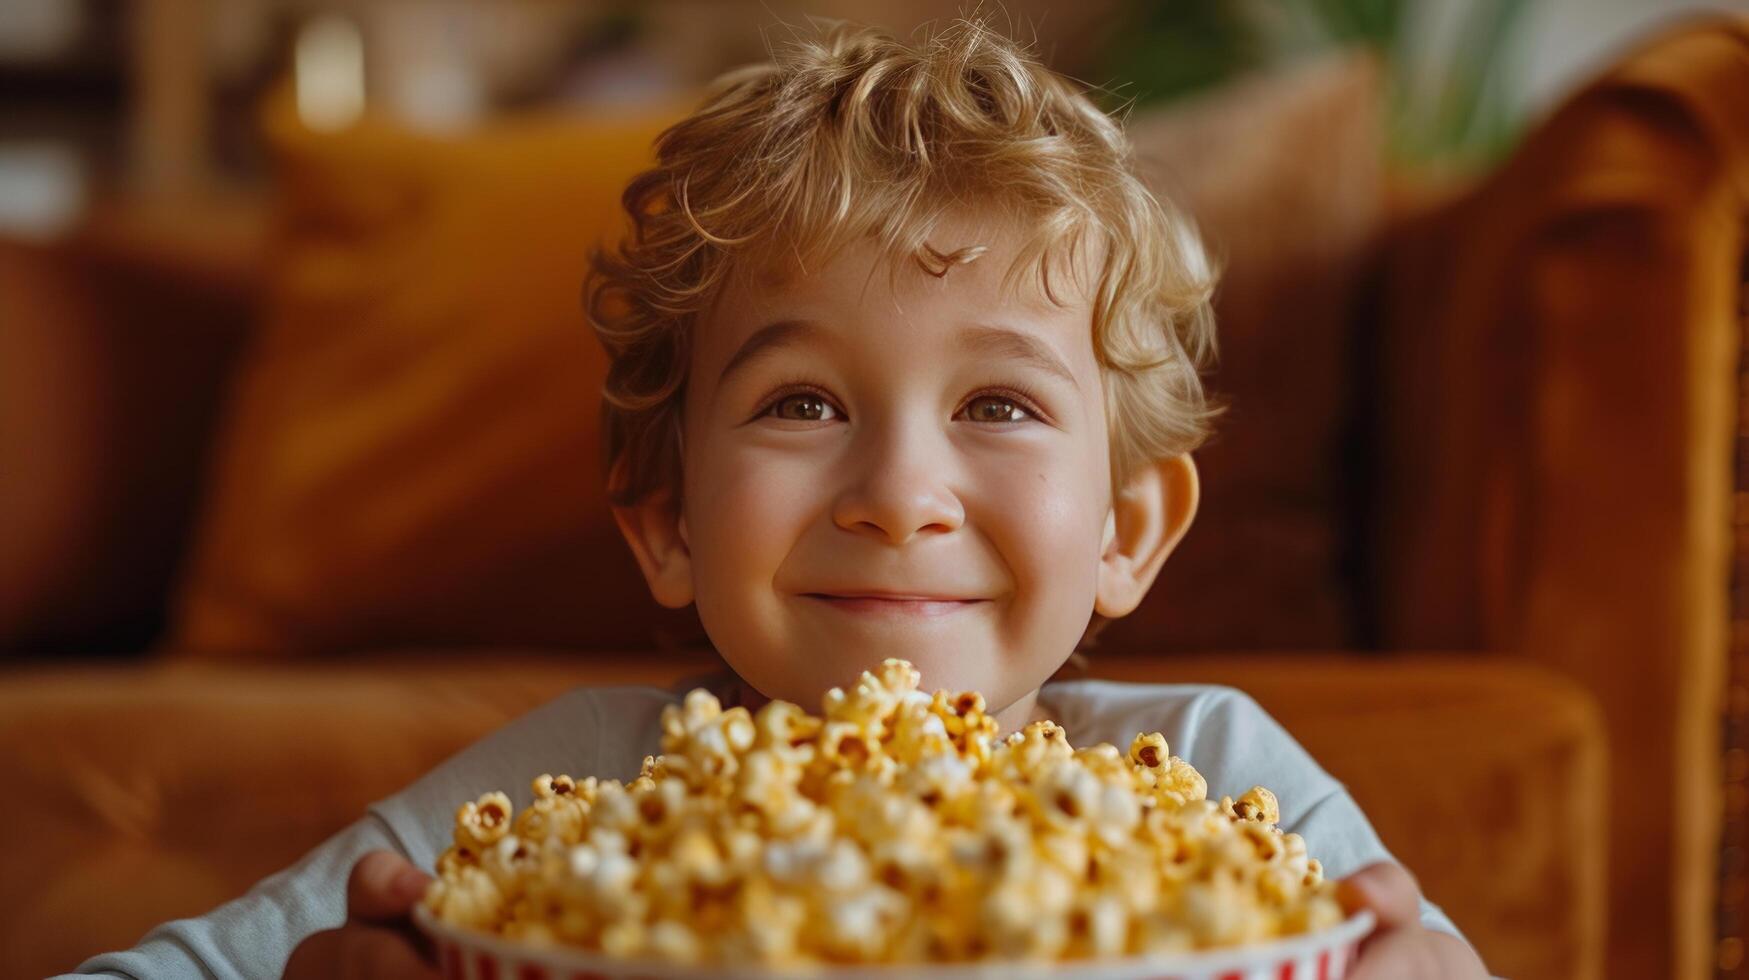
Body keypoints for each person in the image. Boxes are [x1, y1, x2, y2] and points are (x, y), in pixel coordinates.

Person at [64, 17, 1491, 980]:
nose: (896, 495)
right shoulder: (556, 803)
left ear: (1125, 530)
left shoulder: (1222, 783)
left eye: (996, 406)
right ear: (670, 522)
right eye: (801, 404)